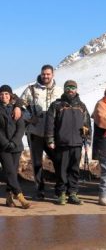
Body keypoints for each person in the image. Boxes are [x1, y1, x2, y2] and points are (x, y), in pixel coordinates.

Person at [45, 80, 91, 205]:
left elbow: (87, 124)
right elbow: (50, 124)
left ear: (76, 89)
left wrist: (87, 138)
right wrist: (50, 139)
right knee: (61, 169)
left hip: (77, 143)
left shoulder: (81, 106)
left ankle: (73, 193)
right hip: (62, 143)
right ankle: (61, 193)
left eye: (73, 87)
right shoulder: (57, 105)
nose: (70, 89)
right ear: (64, 89)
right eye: (68, 87)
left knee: (74, 169)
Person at [20, 64, 63, 199]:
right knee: (37, 162)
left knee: (58, 159)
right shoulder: (31, 90)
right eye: (44, 74)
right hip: (35, 132)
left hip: (53, 133)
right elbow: (20, 105)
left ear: (53, 75)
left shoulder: (59, 90)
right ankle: (40, 190)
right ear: (41, 74)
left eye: (48, 74)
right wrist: (29, 117)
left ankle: (59, 188)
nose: (46, 76)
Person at [0, 85, 31, 209]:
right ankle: (20, 196)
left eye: (6, 94)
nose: (4, 96)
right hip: (2, 147)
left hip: (16, 146)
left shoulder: (17, 109)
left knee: (12, 171)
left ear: (11, 95)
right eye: (1, 94)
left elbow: (21, 127)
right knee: (10, 171)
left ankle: (8, 197)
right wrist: (5, 142)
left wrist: (14, 141)